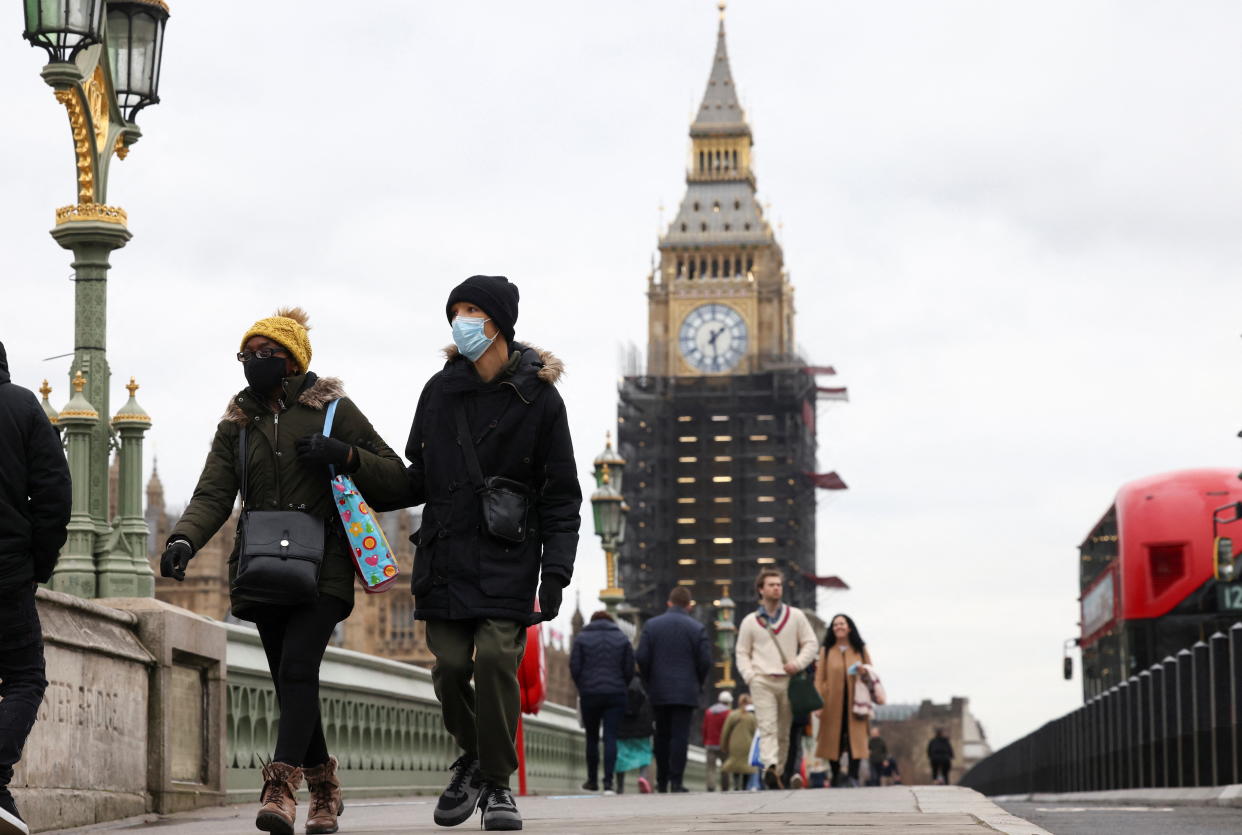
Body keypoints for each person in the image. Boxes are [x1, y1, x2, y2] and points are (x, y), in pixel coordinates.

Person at [161, 307, 407, 835]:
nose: (254, 363)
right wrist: (184, 537)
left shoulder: (333, 411)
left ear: (292, 361)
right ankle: (325, 789)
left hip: (326, 570)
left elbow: (399, 482)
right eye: (247, 355)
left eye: (265, 354)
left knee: (296, 668)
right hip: (263, 569)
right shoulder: (238, 425)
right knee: (291, 680)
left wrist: (342, 454)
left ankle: (280, 787)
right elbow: (213, 492)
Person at [394, 276, 581, 831]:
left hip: (507, 555)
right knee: (451, 668)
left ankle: (497, 786)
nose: (462, 320)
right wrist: (350, 464)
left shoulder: (542, 399)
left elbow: (562, 495)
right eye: (456, 310)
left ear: (498, 321)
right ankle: (475, 757)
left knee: (498, 658)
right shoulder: (438, 390)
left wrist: (557, 572)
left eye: (472, 310)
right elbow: (416, 479)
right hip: (446, 553)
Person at [0, 342, 72, 835]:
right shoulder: (22, 406)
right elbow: (54, 495)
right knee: (26, 677)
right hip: (5, 571)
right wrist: (37, 564)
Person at [734, 568, 817, 790]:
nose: (776, 588)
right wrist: (750, 676)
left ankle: (777, 772)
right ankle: (769, 765)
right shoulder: (750, 621)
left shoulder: (796, 616)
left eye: (779, 584)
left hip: (788, 680)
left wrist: (798, 664)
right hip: (762, 680)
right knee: (767, 725)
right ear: (761, 590)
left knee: (784, 730)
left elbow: (811, 643)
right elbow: (742, 651)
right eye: (771, 584)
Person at [635, 586, 711, 792]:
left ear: (669, 603)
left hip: (658, 690)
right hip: (686, 691)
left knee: (661, 735)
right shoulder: (697, 628)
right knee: (680, 736)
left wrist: (649, 680)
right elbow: (705, 661)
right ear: (689, 606)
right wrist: (697, 680)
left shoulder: (652, 625)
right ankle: (676, 782)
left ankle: (661, 781)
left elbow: (641, 657)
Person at [570, 611, 635, 794]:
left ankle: (592, 780)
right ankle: (608, 783)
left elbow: (575, 666)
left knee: (591, 737)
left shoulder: (582, 637)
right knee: (611, 737)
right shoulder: (622, 638)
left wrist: (583, 686)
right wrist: (622, 685)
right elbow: (629, 668)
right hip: (615, 694)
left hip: (590, 694)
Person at [814, 613, 873, 788]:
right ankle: (836, 774)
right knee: (833, 739)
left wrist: (864, 672)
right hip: (832, 703)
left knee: (856, 739)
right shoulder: (826, 650)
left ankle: (853, 776)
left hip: (856, 703)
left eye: (842, 624)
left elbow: (872, 673)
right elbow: (819, 677)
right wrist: (818, 702)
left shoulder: (860, 649)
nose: (838, 627)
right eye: (835, 624)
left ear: (849, 627)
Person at [614, 676, 654, 795]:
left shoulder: (618, 683)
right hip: (641, 726)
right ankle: (642, 777)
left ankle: (620, 786)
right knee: (644, 753)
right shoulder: (643, 684)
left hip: (622, 726)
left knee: (621, 756)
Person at [719, 694, 758, 791]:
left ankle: (736, 784)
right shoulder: (752, 717)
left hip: (734, 745)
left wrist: (723, 745)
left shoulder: (732, 715)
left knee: (735, 764)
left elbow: (725, 732)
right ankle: (745, 786)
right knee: (746, 766)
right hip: (748, 745)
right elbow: (755, 733)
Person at [701, 691, 733, 791]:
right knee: (725, 768)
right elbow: (729, 730)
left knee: (710, 768)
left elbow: (704, 728)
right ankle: (725, 787)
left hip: (710, 744)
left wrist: (705, 740)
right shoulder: (728, 713)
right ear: (728, 702)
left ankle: (711, 787)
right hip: (724, 745)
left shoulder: (709, 712)